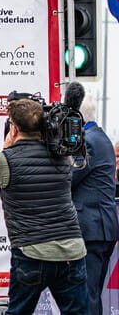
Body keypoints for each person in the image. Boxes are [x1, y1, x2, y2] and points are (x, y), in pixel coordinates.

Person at [0, 95, 88, 315]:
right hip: (70, 251)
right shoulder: (62, 156)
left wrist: (5, 147)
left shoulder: (5, 159)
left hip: (31, 252)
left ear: (14, 129)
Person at [64, 85, 118, 315]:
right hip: (99, 227)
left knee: (86, 295)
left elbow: (69, 177)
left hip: (92, 229)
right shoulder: (99, 137)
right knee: (90, 293)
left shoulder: (88, 142)